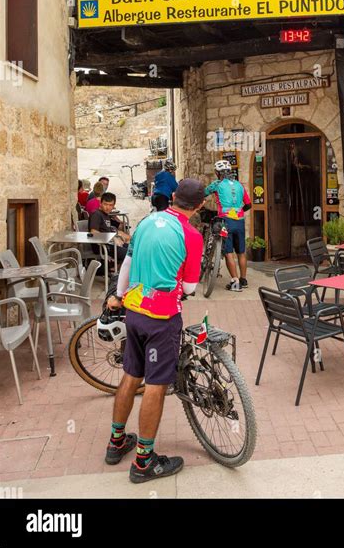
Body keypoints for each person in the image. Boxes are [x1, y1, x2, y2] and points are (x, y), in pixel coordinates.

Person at [105, 179, 205, 482]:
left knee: (131, 375)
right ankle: (144, 462)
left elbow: (127, 264)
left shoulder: (147, 221)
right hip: (162, 317)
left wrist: (119, 297)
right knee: (156, 384)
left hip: (134, 309)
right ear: (200, 206)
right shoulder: (192, 235)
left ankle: (116, 442)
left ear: (173, 197)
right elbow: (189, 286)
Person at [205, 160, 252, 292]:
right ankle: (244, 279)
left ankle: (235, 283)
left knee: (228, 252)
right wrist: (238, 212)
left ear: (217, 173)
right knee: (241, 251)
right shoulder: (239, 185)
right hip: (240, 220)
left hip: (225, 221)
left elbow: (203, 193)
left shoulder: (217, 184)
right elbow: (248, 204)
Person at [88, 192, 130, 265]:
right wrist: (113, 238)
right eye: (105, 204)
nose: (108, 207)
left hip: (110, 244)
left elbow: (107, 230)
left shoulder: (106, 215)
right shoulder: (96, 214)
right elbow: (94, 232)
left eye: (110, 205)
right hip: (102, 246)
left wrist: (118, 236)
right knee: (130, 254)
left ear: (114, 206)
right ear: (100, 203)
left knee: (134, 249)